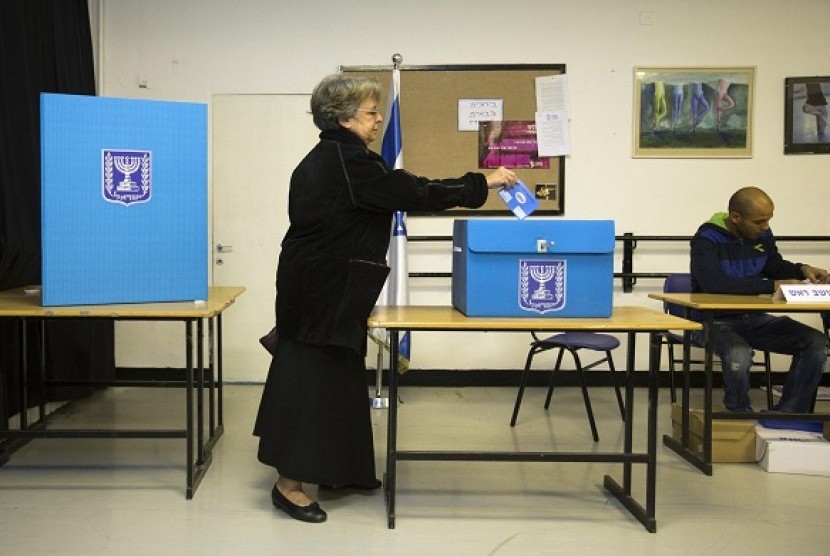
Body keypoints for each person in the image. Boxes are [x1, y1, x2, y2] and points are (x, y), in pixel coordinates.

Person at [253, 73, 518, 524]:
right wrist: (482, 182)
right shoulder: (347, 161)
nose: (378, 120)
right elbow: (415, 192)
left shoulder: (332, 157)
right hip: (322, 294)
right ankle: (288, 485)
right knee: (312, 383)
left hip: (324, 289)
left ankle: (342, 469)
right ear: (343, 117)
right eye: (371, 112)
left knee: (338, 381)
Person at [690, 186, 828, 413]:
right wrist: (770, 285)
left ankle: (788, 415)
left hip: (753, 319)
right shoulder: (706, 239)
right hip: (711, 321)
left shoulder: (762, 235)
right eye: (759, 221)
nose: (766, 227)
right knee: (739, 353)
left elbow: (773, 265)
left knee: (815, 342)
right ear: (736, 218)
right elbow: (713, 283)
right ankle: (740, 416)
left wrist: (803, 269)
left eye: (768, 220)